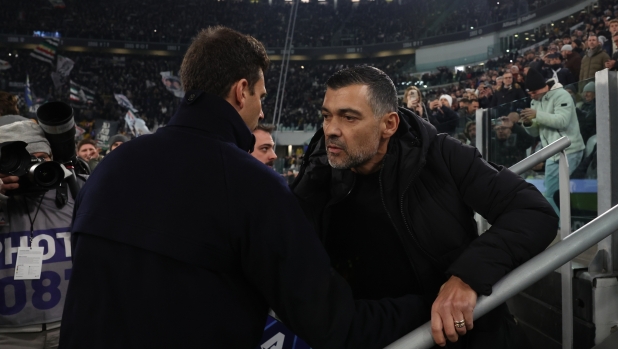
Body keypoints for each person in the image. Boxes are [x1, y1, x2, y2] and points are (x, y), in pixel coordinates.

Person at [59, 27, 430, 349]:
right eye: (261, 96)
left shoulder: (108, 169)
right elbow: (334, 325)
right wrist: (427, 304)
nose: (263, 112)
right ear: (241, 91)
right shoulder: (251, 185)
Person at [292, 66, 557, 348]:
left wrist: (467, 276)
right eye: (326, 116)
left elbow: (533, 212)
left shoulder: (441, 154)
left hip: (468, 337)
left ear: (389, 125)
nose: (331, 130)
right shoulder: (316, 178)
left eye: (348, 117)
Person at [0, 119, 84, 349]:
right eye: (25, 162)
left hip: (69, 325)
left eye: (42, 159)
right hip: (9, 335)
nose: (35, 169)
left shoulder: (77, 192)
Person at [521, 68, 586, 215]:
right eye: (529, 93)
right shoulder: (535, 102)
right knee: (550, 193)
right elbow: (536, 132)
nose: (531, 96)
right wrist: (528, 123)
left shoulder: (561, 95)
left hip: (570, 149)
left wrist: (537, 114)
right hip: (551, 152)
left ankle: (568, 226)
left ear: (542, 88)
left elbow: (562, 121)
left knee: (559, 192)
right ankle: (558, 226)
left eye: (533, 93)